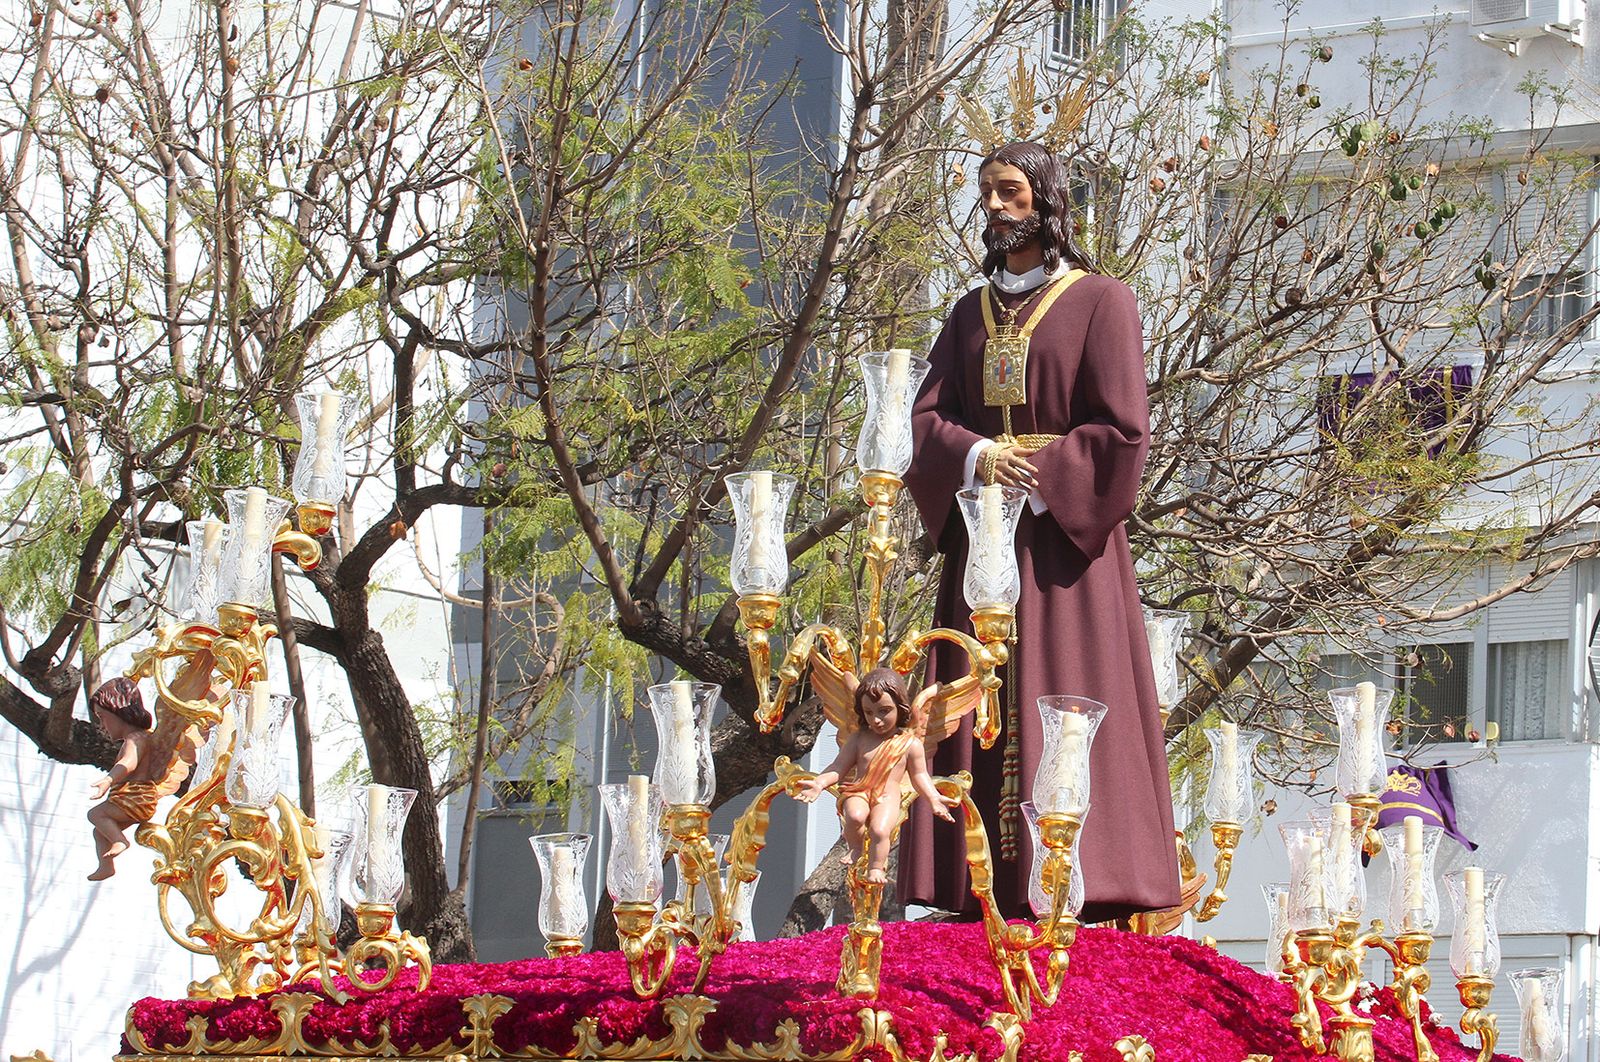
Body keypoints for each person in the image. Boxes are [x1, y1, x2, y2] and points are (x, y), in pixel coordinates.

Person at [898, 141, 1181, 923]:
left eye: (1011, 192)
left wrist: (1050, 473)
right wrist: (984, 456)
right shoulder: (966, 315)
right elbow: (926, 423)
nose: (994, 207)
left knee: (1070, 683)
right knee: (971, 686)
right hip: (984, 530)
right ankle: (972, 879)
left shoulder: (1101, 302)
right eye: (987, 193)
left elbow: (1124, 430)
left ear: (1048, 201)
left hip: (1065, 550)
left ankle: (1083, 876)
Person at [796, 668, 958, 884]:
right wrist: (819, 782)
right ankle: (854, 848)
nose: (877, 720)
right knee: (854, 816)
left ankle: (876, 867)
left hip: (888, 796)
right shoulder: (859, 739)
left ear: (900, 707)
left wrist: (933, 798)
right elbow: (838, 767)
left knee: (880, 830)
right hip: (859, 790)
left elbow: (920, 776)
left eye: (884, 711)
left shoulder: (910, 744)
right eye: (869, 713)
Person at [85, 675, 202, 880]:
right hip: (131, 800)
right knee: (99, 832)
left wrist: (109, 780)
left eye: (103, 717)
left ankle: (121, 841)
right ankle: (107, 866)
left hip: (133, 798)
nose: (102, 725)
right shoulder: (140, 737)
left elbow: (129, 763)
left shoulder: (136, 739)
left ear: (118, 711)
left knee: (95, 815)